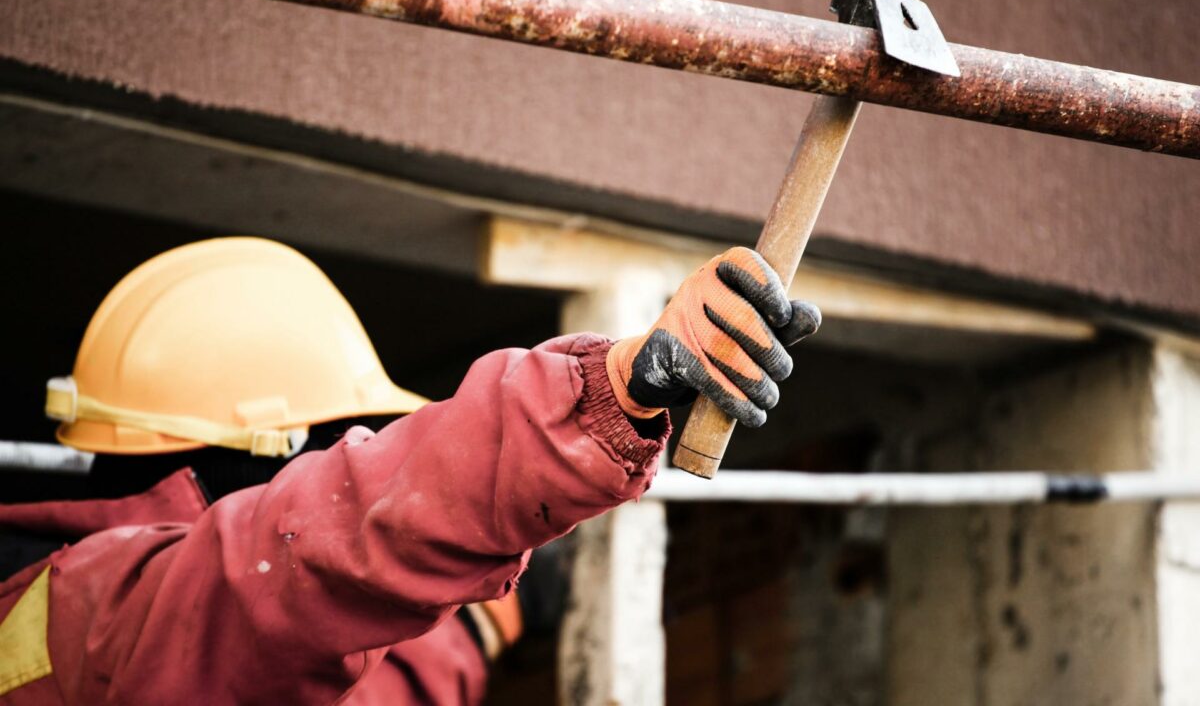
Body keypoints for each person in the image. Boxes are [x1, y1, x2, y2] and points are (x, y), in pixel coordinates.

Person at [0, 237, 819, 705]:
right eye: (333, 449)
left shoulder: (75, 623)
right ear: (264, 459)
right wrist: (606, 395)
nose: (348, 461)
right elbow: (311, 557)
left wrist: (480, 621)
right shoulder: (92, 611)